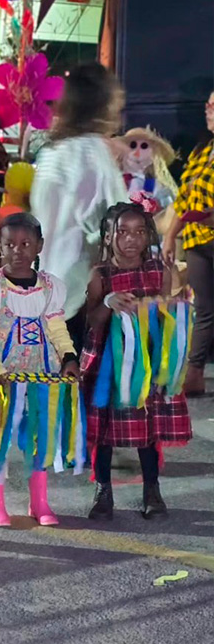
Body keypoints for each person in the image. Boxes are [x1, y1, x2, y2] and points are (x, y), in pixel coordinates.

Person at [0, 213, 80, 527]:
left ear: (39, 246)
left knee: (38, 433)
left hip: (41, 371)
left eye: (26, 244)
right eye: (10, 244)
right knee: (0, 434)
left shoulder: (50, 287)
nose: (18, 251)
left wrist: (69, 357)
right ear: (0, 245)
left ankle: (39, 502)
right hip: (3, 373)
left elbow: (56, 328)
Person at [82, 200, 189, 520]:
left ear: (148, 235)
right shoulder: (101, 274)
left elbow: (167, 313)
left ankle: (152, 490)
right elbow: (91, 320)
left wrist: (170, 307)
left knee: (148, 426)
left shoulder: (158, 271)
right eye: (123, 232)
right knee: (104, 431)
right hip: (108, 364)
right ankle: (103, 490)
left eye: (140, 232)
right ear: (107, 237)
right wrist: (109, 303)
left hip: (148, 362)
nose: (132, 239)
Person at [30, 63, 127, 346]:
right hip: (78, 287)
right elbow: (111, 220)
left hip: (44, 279)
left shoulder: (52, 151)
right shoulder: (90, 152)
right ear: (104, 104)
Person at [163, 89, 214, 396]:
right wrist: (170, 236)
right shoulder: (201, 151)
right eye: (207, 103)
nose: (208, 109)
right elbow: (184, 201)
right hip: (197, 239)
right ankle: (194, 375)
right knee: (203, 308)